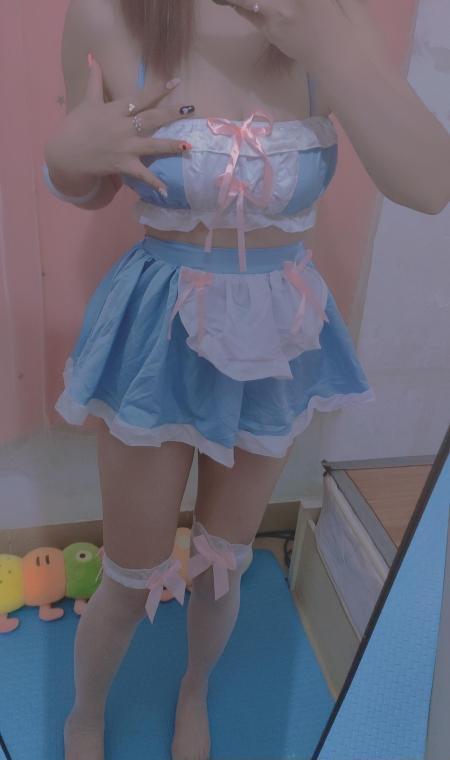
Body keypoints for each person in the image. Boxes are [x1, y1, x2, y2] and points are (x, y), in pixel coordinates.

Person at [42, 1, 448, 758]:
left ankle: (194, 690)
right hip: (155, 332)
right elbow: (89, 181)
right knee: (129, 573)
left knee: (222, 563)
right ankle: (85, 712)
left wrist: (334, 49)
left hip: (277, 335)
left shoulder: (332, 16)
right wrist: (65, 155)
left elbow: (429, 184)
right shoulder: (104, 14)